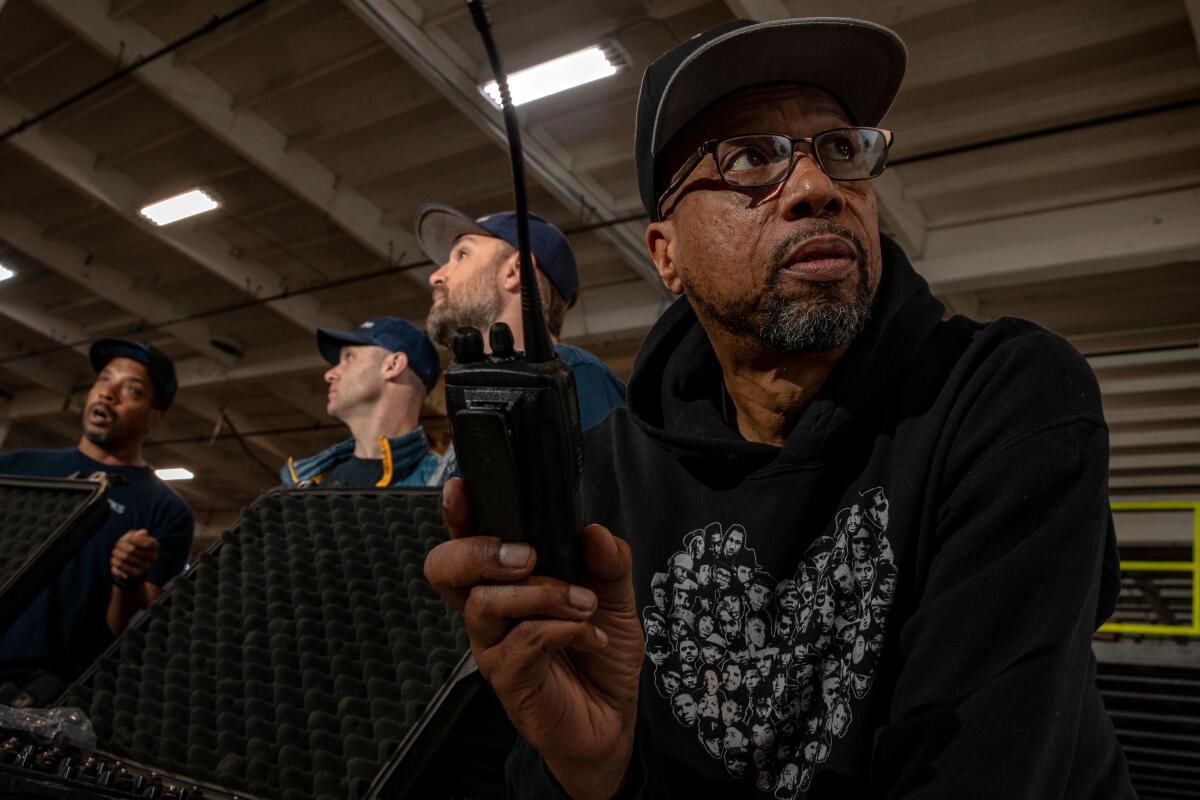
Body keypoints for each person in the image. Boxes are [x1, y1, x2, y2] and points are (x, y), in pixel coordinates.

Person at [424, 16, 1133, 800]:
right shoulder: (606, 479)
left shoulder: (1005, 393)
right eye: (751, 157)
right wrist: (593, 774)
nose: (816, 188)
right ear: (667, 255)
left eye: (839, 149)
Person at [0, 339, 193, 702]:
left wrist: (127, 580)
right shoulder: (17, 467)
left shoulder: (165, 509)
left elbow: (129, 630)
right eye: (104, 380)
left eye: (131, 390)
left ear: (154, 417)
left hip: (53, 693)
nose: (109, 394)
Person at [414, 204, 625, 431]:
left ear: (515, 271)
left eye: (462, 254)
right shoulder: (475, 400)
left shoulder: (576, 379)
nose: (435, 276)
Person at [279, 317, 442, 488]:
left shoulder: (444, 485)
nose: (329, 375)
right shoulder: (303, 484)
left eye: (349, 358)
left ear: (393, 366)